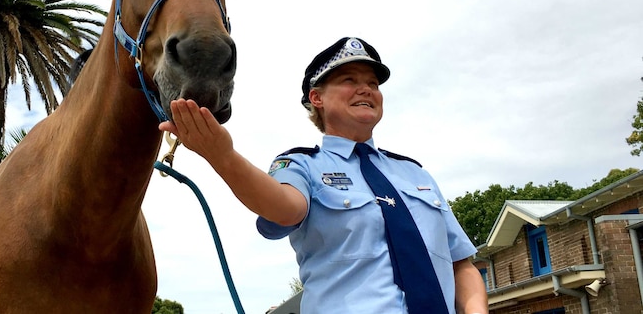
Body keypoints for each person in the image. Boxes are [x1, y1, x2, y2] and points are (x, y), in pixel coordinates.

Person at [159, 37, 488, 314]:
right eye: (349, 81)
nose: (366, 89)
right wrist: (223, 157)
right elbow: (284, 208)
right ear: (317, 98)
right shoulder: (303, 166)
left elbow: (462, 264)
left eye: (373, 83)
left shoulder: (416, 174)